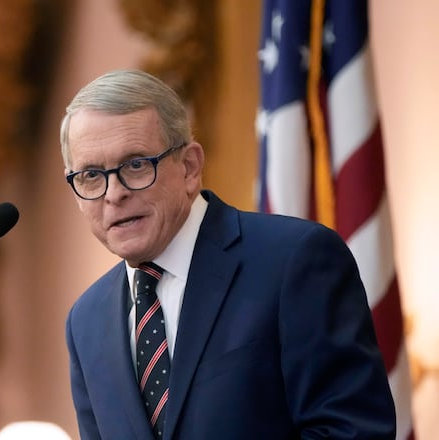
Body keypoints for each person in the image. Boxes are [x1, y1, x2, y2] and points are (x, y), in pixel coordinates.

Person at [62, 69, 396, 439]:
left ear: (189, 167)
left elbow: (352, 431)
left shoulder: (293, 261)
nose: (113, 193)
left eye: (136, 165)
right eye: (91, 175)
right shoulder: (86, 321)